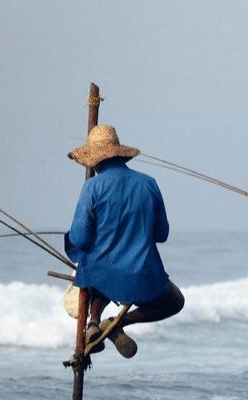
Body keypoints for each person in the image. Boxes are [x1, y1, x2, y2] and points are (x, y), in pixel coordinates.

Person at [65, 124, 184, 358]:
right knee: (174, 302)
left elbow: (80, 238)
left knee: (97, 271)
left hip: (101, 274)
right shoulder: (149, 183)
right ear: (119, 153)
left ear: (94, 160)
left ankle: (95, 322)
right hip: (143, 275)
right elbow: (162, 233)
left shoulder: (91, 187)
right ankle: (117, 323)